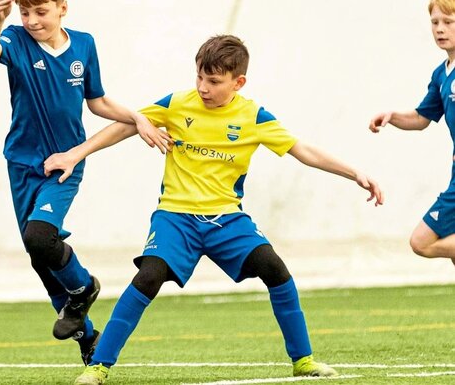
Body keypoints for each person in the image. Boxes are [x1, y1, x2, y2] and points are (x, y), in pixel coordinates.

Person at [44, 34, 384, 384]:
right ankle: (98, 366)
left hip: (227, 220)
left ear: (239, 82)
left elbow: (303, 150)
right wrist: (76, 154)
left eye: (214, 81)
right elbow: (128, 125)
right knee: (148, 277)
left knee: (276, 270)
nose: (203, 87)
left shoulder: (254, 116)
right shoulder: (177, 104)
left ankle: (303, 360)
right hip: (175, 218)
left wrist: (354, 173)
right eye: (199, 77)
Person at [0, 0, 169, 365]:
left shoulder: (83, 45)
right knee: (40, 258)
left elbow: (98, 102)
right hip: (22, 163)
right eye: (25, 13)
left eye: (41, 12)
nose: (32, 21)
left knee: (39, 237)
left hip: (65, 164)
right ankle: (87, 338)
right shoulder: (14, 38)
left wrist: (137, 117)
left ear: (62, 8)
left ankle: (84, 288)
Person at [369, 0, 455, 264]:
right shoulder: (441, 74)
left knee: (421, 242)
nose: (440, 29)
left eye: (448, 22)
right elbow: (421, 119)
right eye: (435, 22)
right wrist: (392, 116)